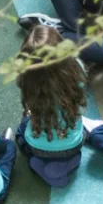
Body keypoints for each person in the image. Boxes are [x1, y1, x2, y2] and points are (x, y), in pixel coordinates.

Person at [15, 25, 89, 187]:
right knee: (75, 133)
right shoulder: (77, 68)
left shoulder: (29, 81)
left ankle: (43, 166)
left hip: (39, 148)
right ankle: (69, 163)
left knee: (20, 132)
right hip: (75, 143)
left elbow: (29, 109)